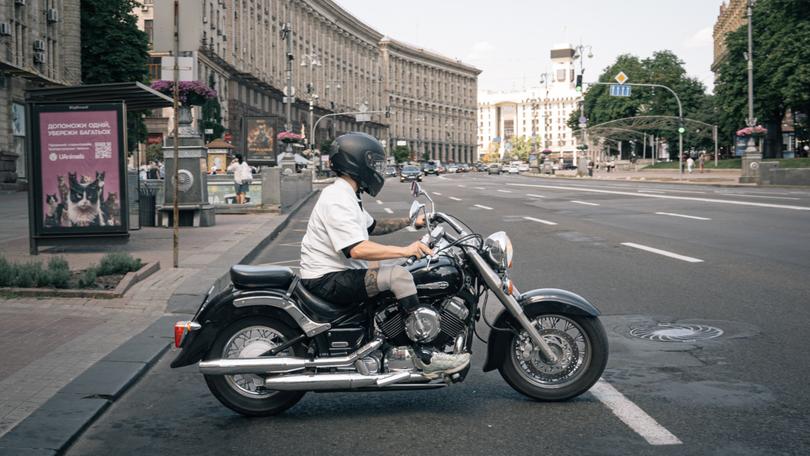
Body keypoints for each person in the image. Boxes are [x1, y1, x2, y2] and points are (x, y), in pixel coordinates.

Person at [299, 132, 470, 376]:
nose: (377, 169)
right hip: (327, 279)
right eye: (374, 163)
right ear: (356, 162)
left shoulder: (348, 195)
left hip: (337, 273)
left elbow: (373, 226)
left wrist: (412, 221)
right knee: (399, 275)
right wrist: (406, 249)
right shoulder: (337, 198)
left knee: (400, 267)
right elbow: (356, 249)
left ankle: (392, 336)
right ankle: (426, 354)